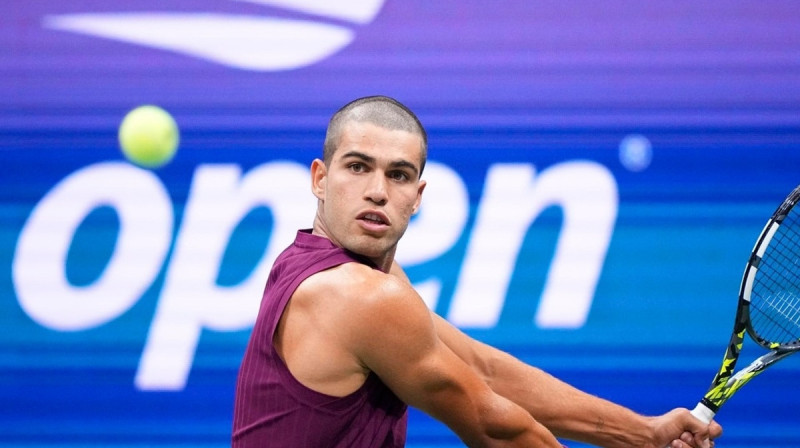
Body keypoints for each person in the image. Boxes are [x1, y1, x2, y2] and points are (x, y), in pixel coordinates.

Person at [231, 95, 723, 447]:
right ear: (320, 179)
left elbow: (482, 370)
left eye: (398, 174)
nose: (377, 191)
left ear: (417, 197)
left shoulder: (353, 274)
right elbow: (496, 429)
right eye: (357, 167)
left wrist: (642, 434)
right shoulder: (358, 295)